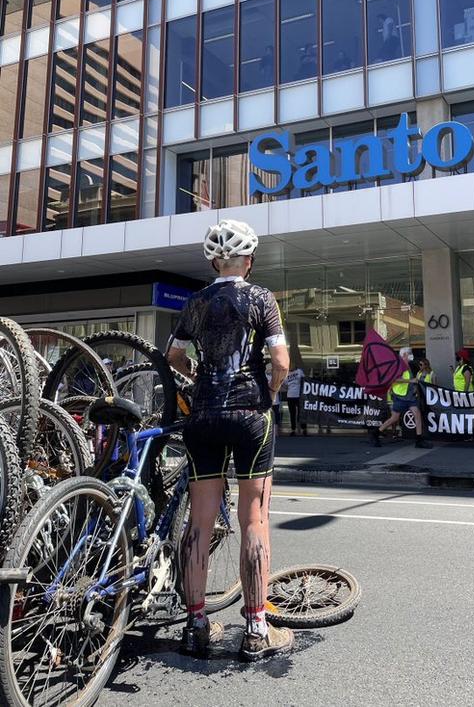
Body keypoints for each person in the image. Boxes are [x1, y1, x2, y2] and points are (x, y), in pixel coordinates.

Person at [166, 219, 293, 661]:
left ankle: (195, 623)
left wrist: (198, 377)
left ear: (214, 261)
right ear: (249, 261)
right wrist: (271, 393)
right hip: (249, 412)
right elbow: (280, 359)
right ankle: (256, 627)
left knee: (199, 522)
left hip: (202, 415)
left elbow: (174, 355)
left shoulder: (196, 302)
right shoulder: (261, 298)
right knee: (253, 517)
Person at [372, 347, 431, 449]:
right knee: (394, 418)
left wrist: (414, 388)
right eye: (409, 353)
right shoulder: (398, 365)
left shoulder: (408, 365)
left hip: (409, 396)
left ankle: (419, 440)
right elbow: (394, 380)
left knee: (417, 414)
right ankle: (376, 433)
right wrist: (410, 381)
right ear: (404, 355)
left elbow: (410, 380)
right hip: (400, 396)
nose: (411, 355)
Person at [285, 364, 305, 436]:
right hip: (290, 396)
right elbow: (285, 385)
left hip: (299, 396)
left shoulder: (299, 371)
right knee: (292, 414)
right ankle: (293, 429)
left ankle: (303, 429)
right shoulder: (286, 374)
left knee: (301, 413)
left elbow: (304, 381)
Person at [266, 361, 283, 433]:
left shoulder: (264, 377)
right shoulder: (275, 377)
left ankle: (270, 430)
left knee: (270, 414)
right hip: (274, 399)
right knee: (276, 414)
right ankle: (276, 431)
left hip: (269, 399)